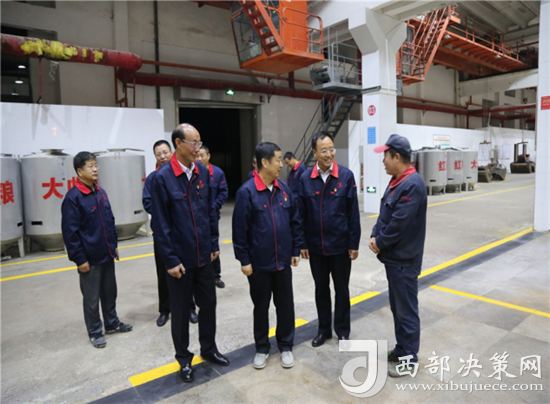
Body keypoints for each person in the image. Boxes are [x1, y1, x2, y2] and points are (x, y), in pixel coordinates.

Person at [151, 123, 230, 383]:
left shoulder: (202, 172)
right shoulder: (162, 178)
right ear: (178, 143)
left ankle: (209, 349)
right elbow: (160, 224)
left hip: (203, 256)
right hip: (180, 261)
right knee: (181, 312)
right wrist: (170, 260)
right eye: (193, 143)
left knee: (209, 305)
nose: (198, 148)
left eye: (199, 143)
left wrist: (214, 244)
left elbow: (209, 212)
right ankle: (184, 359)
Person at [232, 142, 303, 370]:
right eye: (278, 160)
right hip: (259, 265)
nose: (281, 164)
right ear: (264, 162)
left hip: (282, 261)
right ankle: (262, 348)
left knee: (285, 306)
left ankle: (286, 346)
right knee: (261, 307)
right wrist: (244, 260)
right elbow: (239, 231)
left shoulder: (284, 189)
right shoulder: (247, 193)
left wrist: (295, 250)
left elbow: (295, 221)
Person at [369, 134, 427, 378]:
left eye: (385, 156)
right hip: (394, 259)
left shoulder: (412, 184)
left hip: (405, 260)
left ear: (397, 157)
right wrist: (374, 234)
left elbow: (398, 224)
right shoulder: (397, 180)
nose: (383, 160)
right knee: (398, 307)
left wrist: (380, 242)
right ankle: (402, 348)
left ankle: (409, 359)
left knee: (406, 310)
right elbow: (385, 214)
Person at [61, 152, 133, 349]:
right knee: (91, 299)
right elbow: (70, 233)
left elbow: (109, 220)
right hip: (89, 259)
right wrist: (79, 259)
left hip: (106, 253)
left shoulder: (101, 192)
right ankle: (95, 332)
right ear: (79, 171)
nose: (95, 169)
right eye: (90, 166)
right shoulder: (73, 198)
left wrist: (114, 245)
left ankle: (112, 323)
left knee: (110, 293)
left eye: (96, 165)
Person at [298, 132, 361, 347]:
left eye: (331, 149)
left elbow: (353, 213)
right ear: (314, 153)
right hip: (316, 246)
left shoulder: (346, 176)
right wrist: (302, 243)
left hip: (340, 246)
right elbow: (300, 214)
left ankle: (342, 330)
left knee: (342, 290)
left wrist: (353, 243)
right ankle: (323, 330)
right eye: (323, 150)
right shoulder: (305, 178)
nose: (329, 154)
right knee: (321, 289)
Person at [143, 140, 173, 327]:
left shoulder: (181, 175)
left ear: (171, 152)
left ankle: (190, 307)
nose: (162, 156)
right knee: (163, 273)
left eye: (165, 152)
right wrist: (165, 210)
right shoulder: (152, 179)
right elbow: (147, 202)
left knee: (187, 272)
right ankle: (164, 310)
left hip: (182, 233)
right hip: (162, 233)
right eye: (158, 154)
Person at [196, 145, 229, 288]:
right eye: (197, 156)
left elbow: (224, 192)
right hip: (197, 215)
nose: (199, 158)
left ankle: (216, 276)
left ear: (208, 156)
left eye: (202, 155)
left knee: (213, 243)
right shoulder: (193, 173)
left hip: (212, 215)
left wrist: (214, 206)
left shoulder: (217, 172)